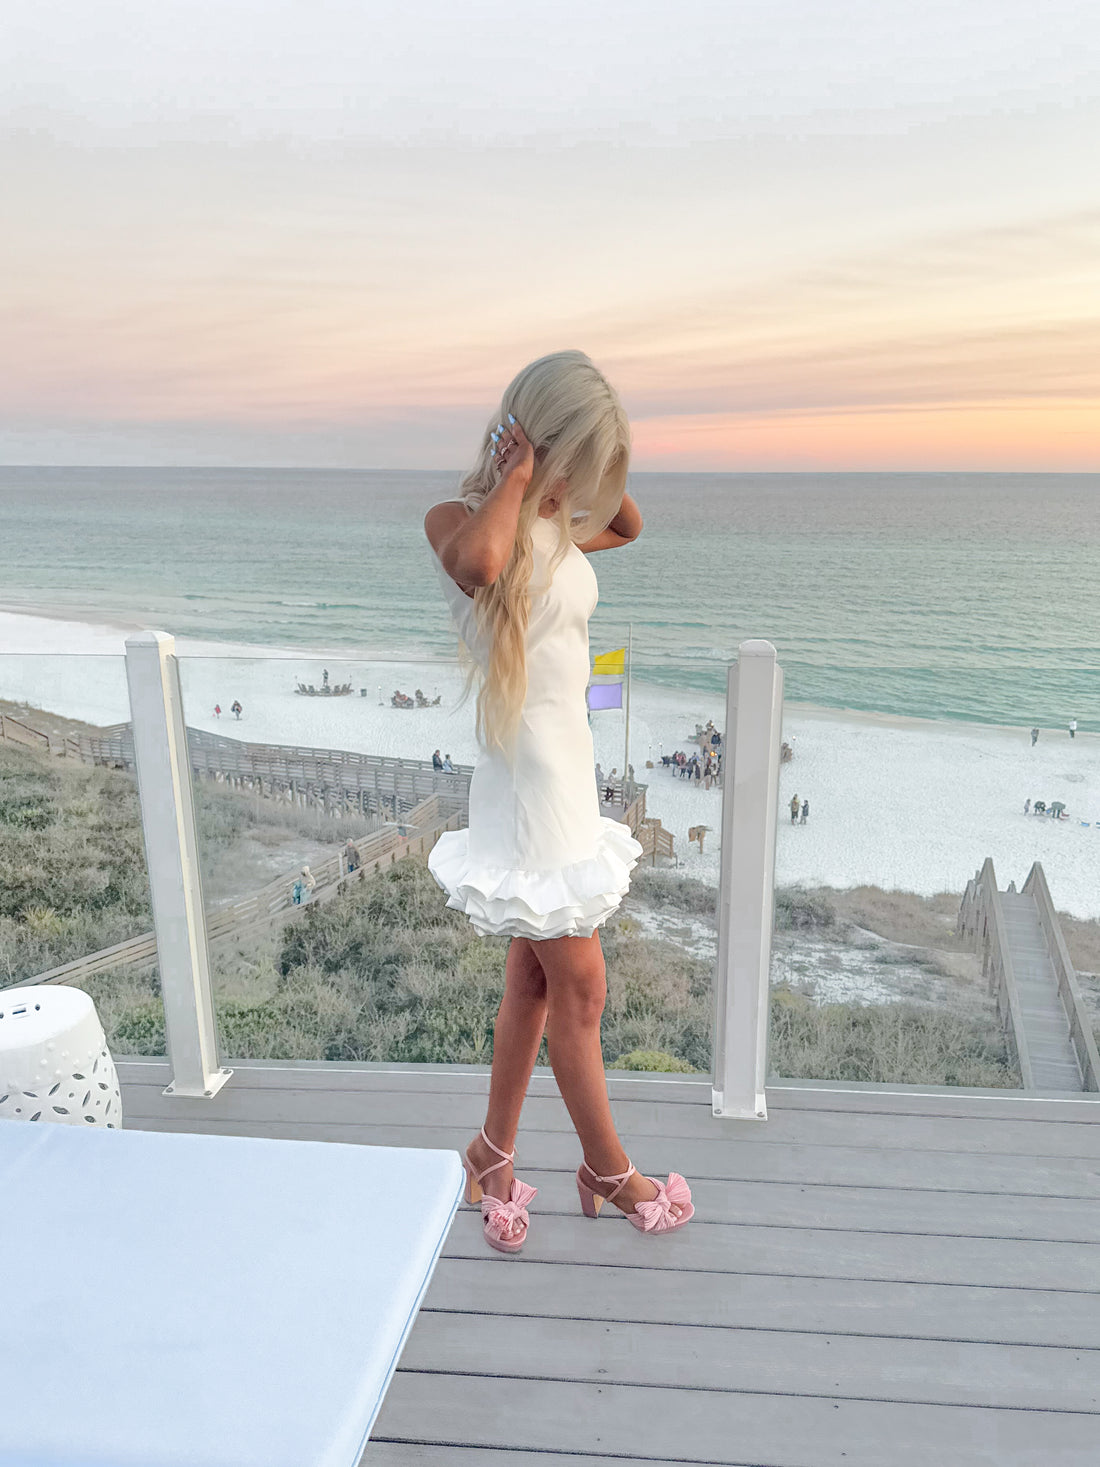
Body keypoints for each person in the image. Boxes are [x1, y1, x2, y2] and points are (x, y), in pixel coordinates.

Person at [423, 349, 692, 1255]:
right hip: (524, 786)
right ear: (528, 447)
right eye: (570, 457)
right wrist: (520, 471)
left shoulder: (561, 527)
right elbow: (484, 560)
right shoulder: (457, 521)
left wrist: (576, 461)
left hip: (568, 775)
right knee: (581, 981)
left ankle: (491, 1155)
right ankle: (609, 1171)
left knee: (536, 977)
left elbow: (633, 521)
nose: (580, 484)